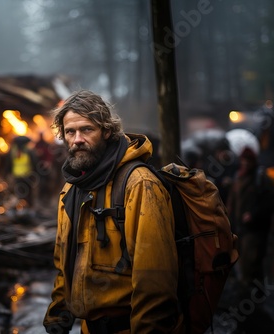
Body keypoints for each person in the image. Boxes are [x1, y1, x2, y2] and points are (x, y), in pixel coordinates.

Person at [43, 90, 183, 334]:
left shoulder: (139, 184)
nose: (77, 139)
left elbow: (155, 281)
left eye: (87, 129)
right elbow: (63, 262)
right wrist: (57, 319)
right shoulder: (71, 189)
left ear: (107, 131)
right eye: (70, 132)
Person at [226, 147, 274, 287]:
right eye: (244, 160)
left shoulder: (260, 178)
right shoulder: (238, 177)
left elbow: (271, 202)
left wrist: (254, 214)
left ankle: (253, 294)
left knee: (252, 262)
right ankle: (249, 291)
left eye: (248, 160)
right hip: (240, 228)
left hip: (255, 230)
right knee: (243, 262)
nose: (245, 163)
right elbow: (233, 199)